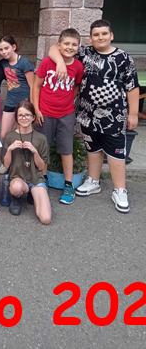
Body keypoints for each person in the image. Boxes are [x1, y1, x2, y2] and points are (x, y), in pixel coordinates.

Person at [50, 19, 139, 213]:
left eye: (104, 33)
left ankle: (120, 190)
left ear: (111, 35)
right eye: (96, 34)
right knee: (93, 147)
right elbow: (54, 48)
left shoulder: (123, 58)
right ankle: (93, 180)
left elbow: (132, 87)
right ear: (90, 38)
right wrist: (60, 63)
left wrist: (133, 113)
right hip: (87, 113)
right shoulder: (84, 53)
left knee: (116, 152)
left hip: (113, 115)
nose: (100, 37)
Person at [32, 28, 84, 205]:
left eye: (74, 44)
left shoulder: (78, 66)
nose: (70, 47)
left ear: (78, 47)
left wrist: (69, 102)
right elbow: (36, 86)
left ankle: (68, 185)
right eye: (66, 43)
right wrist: (36, 109)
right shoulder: (48, 62)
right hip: (45, 113)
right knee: (43, 148)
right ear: (59, 45)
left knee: (66, 149)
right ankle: (42, 179)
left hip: (66, 114)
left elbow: (76, 86)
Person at [3, 101, 51, 224]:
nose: (24, 118)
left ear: (33, 117)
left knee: (45, 219)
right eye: (20, 115)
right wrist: (10, 149)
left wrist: (35, 152)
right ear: (16, 117)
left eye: (27, 115)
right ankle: (16, 198)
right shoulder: (10, 137)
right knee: (16, 188)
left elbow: (42, 167)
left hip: (36, 179)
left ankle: (32, 193)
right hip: (17, 177)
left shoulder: (41, 138)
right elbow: (5, 165)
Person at [0, 35, 34, 140]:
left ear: (13, 47)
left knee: (21, 135)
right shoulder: (3, 63)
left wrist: (33, 106)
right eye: (1, 49)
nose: (4, 52)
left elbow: (32, 86)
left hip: (23, 104)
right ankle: (7, 151)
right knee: (4, 134)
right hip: (10, 102)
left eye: (6, 48)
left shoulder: (24, 62)